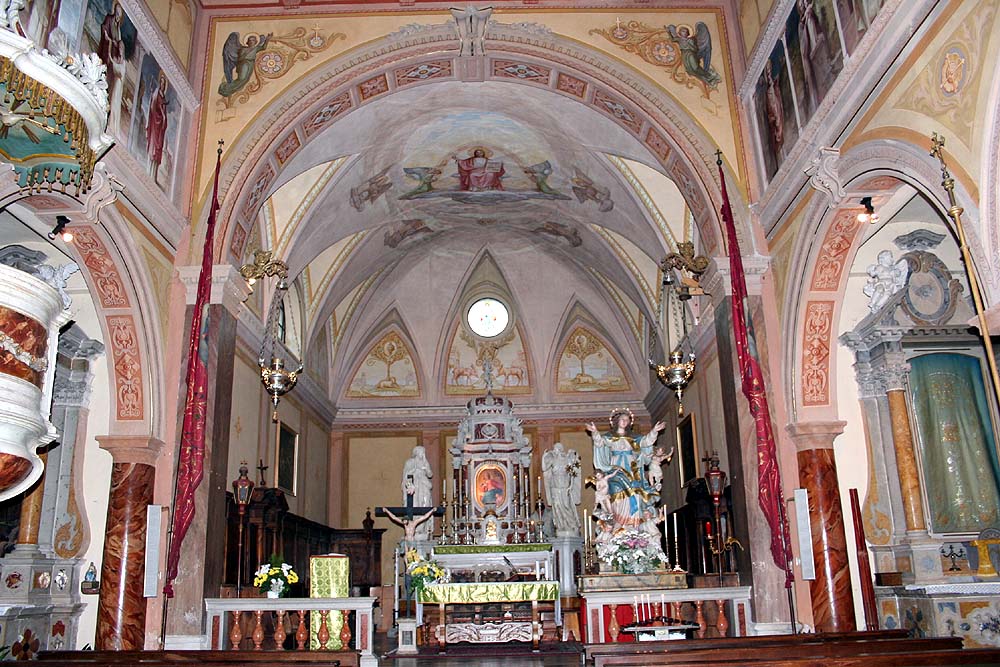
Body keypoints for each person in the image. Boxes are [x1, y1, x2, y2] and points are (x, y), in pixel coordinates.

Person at [586, 409, 666, 530]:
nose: (624, 421)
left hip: (632, 468)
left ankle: (634, 524)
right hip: (615, 468)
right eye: (622, 419)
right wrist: (595, 432)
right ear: (616, 421)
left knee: (635, 492)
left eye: (627, 420)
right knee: (616, 491)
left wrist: (654, 431)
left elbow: (646, 442)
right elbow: (600, 443)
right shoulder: (609, 437)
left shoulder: (634, 437)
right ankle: (618, 524)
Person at [98, 2, 126, 135]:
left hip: (112, 56)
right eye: (118, 12)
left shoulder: (118, 28)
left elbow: (118, 41)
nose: (118, 15)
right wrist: (109, 39)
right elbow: (104, 28)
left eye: (120, 14)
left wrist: (115, 45)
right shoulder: (109, 19)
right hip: (107, 48)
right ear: (115, 11)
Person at [542, 443, 582, 536]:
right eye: (554, 449)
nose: (555, 451)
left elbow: (573, 474)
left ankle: (572, 524)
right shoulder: (553, 460)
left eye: (556, 449)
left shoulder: (567, 460)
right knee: (557, 507)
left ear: (560, 449)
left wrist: (571, 486)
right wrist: (543, 457)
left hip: (564, 487)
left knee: (566, 506)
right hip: (555, 488)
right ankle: (561, 526)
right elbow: (544, 468)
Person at [401, 445, 434, 539]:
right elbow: (405, 475)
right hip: (414, 487)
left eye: (423, 452)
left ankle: (423, 529)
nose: (422, 454)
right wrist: (415, 471)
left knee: (425, 505)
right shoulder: (410, 462)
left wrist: (425, 466)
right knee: (414, 505)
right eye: (421, 452)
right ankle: (415, 529)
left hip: (424, 486)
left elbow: (430, 474)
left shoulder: (424, 462)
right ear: (416, 452)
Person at [145, 71, 168, 182]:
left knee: (158, 149)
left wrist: (163, 117)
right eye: (161, 83)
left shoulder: (163, 98)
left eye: (164, 84)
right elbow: (153, 107)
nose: (162, 85)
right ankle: (149, 170)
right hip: (155, 125)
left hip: (160, 130)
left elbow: (163, 112)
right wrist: (161, 116)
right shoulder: (156, 94)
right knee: (153, 147)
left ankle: (153, 175)